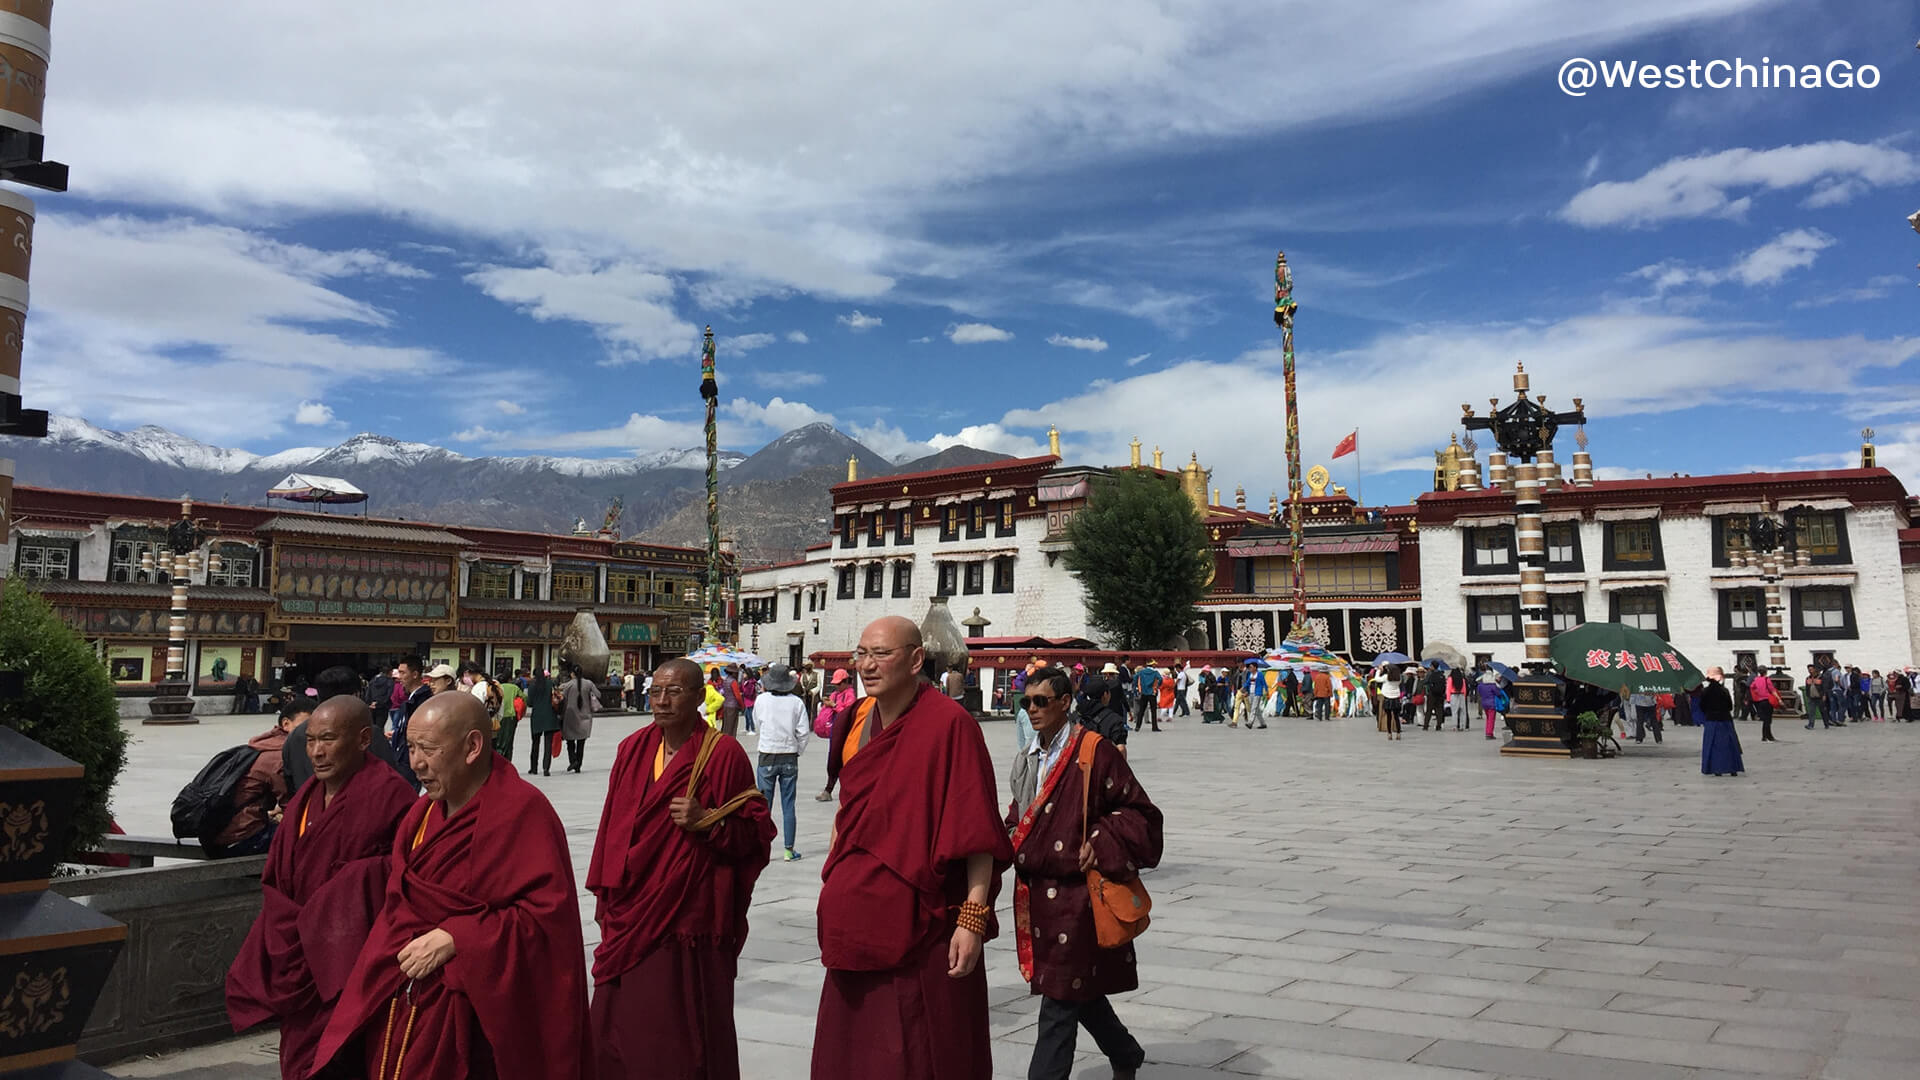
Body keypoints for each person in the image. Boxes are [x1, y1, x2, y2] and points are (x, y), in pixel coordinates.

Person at [310, 693, 591, 1080]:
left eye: (428, 749)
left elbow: (547, 924)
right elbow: (400, 906)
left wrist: (459, 937)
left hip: (478, 1015)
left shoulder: (522, 812)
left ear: (473, 746)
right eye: (410, 747)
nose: (416, 763)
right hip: (406, 996)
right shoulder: (420, 815)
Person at [813, 616, 1014, 1080]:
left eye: (881, 654)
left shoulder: (950, 725)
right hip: (855, 922)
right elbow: (850, 812)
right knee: (854, 1052)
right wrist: (832, 878)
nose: (867, 665)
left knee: (921, 1052)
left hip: (923, 926)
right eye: (861, 654)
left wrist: (973, 918)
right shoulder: (855, 720)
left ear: (916, 658)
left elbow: (977, 832)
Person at [587, 658, 774, 1080]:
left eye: (674, 692)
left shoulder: (722, 754)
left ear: (698, 697)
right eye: (655, 692)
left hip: (689, 917)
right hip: (633, 906)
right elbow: (611, 828)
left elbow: (755, 833)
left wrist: (708, 821)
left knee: (682, 1033)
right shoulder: (632, 749)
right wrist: (609, 891)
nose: (662, 700)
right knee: (619, 1026)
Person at [226, 697, 418, 1080]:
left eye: (328, 739)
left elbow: (404, 880)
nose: (316, 751)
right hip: (298, 954)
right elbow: (277, 878)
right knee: (301, 1058)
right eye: (310, 740)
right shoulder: (303, 801)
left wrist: (349, 886)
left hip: (349, 960)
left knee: (342, 1059)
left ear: (364, 739)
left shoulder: (391, 796)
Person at [1006, 666, 1162, 1080]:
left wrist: (1102, 835)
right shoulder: (1028, 757)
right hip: (1038, 894)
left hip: (1079, 899)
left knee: (1058, 999)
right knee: (1077, 989)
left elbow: (1140, 813)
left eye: (1041, 701)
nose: (1033, 710)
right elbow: (1022, 813)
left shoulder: (1094, 751)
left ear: (1065, 702)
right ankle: (1125, 1052)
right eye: (1027, 702)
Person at [208, 702, 302, 857]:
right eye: (305, 725)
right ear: (286, 724)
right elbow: (292, 807)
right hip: (242, 840)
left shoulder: (261, 744)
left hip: (216, 837)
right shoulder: (279, 755)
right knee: (312, 839)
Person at [752, 663, 810, 861]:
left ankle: (762, 849)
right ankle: (788, 850)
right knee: (788, 804)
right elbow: (803, 732)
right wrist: (797, 751)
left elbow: (758, 724)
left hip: (767, 753)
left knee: (764, 806)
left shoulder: (761, 700)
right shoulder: (797, 703)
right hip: (789, 756)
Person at [812, 669, 855, 802]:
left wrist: (834, 705)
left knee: (845, 761)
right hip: (834, 732)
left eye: (839, 684)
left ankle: (842, 790)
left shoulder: (850, 695)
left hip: (846, 733)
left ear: (846, 682)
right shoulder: (835, 694)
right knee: (833, 761)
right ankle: (829, 789)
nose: (837, 687)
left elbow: (848, 712)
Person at [1700, 667, 1745, 777]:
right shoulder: (1724, 691)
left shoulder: (1705, 691)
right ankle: (1732, 768)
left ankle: (1717, 769)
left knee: (1713, 745)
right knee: (1729, 745)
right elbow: (1730, 706)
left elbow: (1702, 706)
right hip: (1725, 720)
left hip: (1711, 720)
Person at [559, 663, 600, 774]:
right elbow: (598, 694)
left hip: (570, 716)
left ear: (572, 674)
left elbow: (562, 699)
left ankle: (573, 761)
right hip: (585, 716)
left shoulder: (567, 685)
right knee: (581, 743)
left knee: (570, 742)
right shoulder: (588, 683)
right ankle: (578, 765)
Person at [1073, 677, 1131, 756]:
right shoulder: (1114, 719)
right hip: (1103, 763)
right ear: (1105, 694)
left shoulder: (1076, 715)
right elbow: (1120, 748)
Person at [527, 668, 559, 776]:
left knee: (535, 743)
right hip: (550, 716)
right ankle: (546, 768)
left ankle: (534, 767)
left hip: (537, 717)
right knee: (548, 744)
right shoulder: (550, 683)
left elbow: (529, 703)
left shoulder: (532, 686)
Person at [495, 674, 523, 760]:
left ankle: (499, 758)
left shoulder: (496, 687)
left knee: (498, 740)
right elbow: (524, 698)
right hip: (510, 716)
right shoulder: (514, 688)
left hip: (498, 716)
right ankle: (508, 761)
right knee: (509, 740)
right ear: (509, 679)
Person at [1750, 669, 1782, 742]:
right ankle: (1766, 736)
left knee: (1765, 719)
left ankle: (1767, 735)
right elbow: (1772, 690)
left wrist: (1757, 692)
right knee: (1768, 719)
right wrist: (1779, 699)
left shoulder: (1756, 679)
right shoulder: (1767, 680)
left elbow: (1752, 686)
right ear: (1765, 672)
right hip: (1768, 700)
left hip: (1760, 701)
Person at [1128, 661, 1159, 733]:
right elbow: (1160, 679)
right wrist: (1156, 687)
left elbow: (1135, 677)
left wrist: (1137, 686)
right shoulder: (1155, 672)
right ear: (1152, 665)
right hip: (1152, 693)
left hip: (1144, 692)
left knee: (1141, 710)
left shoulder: (1142, 672)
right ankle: (1154, 727)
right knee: (1153, 710)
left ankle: (1137, 726)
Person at [1477, 666, 1504, 740]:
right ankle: (1489, 733)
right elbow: (1498, 694)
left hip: (1484, 704)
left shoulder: (1481, 685)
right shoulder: (1493, 685)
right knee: (1491, 719)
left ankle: (1488, 732)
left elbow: (1479, 692)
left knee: (1488, 718)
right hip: (1492, 704)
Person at [738, 667, 760, 733]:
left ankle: (753, 729)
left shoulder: (751, 682)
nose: (743, 675)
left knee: (750, 716)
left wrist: (743, 693)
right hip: (746, 701)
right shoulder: (744, 681)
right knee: (746, 715)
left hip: (750, 701)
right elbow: (741, 688)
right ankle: (747, 728)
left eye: (745, 673)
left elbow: (749, 693)